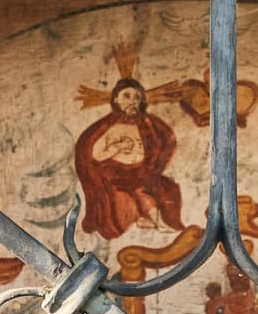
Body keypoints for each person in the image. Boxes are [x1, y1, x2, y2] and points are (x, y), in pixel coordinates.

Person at [73, 77, 184, 239]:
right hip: (115, 175)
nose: (132, 101)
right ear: (116, 99)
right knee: (134, 195)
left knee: (167, 189)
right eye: (127, 96)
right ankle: (155, 221)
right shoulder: (108, 126)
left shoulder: (146, 124)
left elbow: (164, 141)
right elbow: (95, 155)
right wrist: (117, 147)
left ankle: (153, 220)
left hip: (140, 172)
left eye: (137, 97)